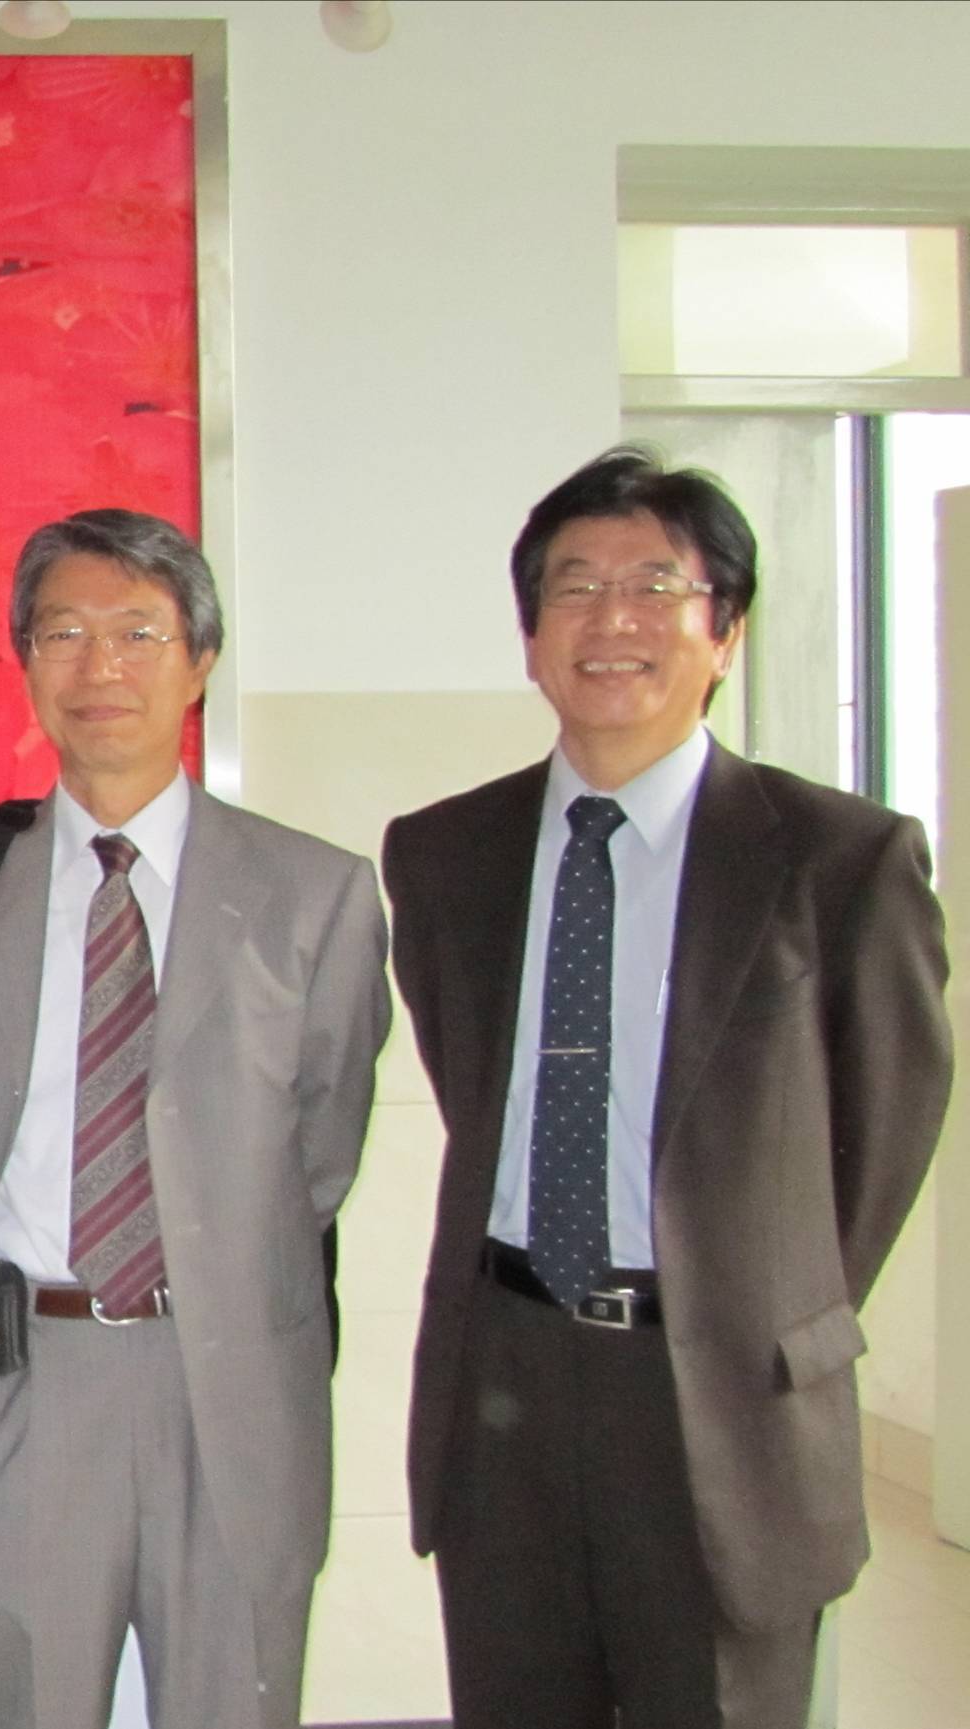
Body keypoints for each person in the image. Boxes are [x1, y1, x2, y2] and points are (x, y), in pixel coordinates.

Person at [387, 447, 952, 1728]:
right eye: (576, 586)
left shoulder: (840, 859)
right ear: (531, 634)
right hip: (506, 1377)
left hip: (722, 1393)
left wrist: (754, 1292)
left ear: (726, 631)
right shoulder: (445, 853)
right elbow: (471, 1083)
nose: (614, 619)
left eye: (658, 586)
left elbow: (883, 1134)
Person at [0, 512, 388, 1727]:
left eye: (137, 632)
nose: (98, 665)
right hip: (29, 1371)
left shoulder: (314, 891)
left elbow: (323, 1145)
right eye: (64, 632)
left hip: (230, 1374)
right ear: (26, 660)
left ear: (199, 658)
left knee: (231, 1698)